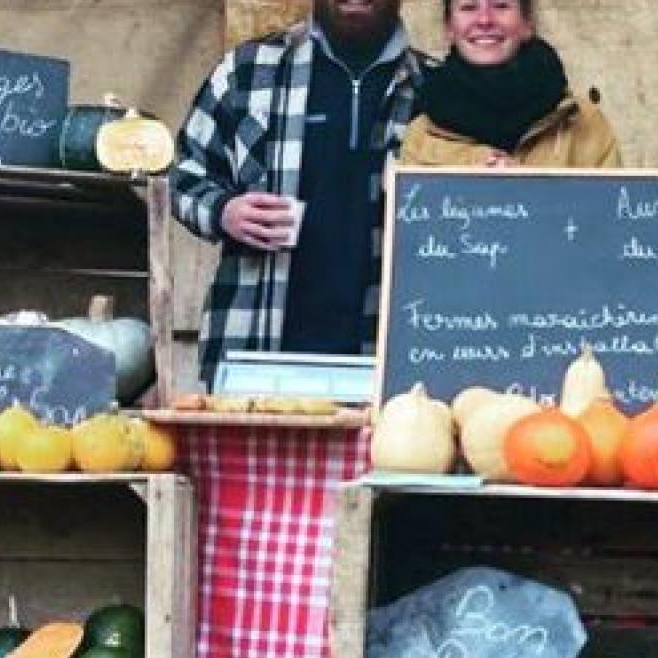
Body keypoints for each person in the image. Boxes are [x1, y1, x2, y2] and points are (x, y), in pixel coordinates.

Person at [171, 0, 428, 386]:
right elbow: (182, 175)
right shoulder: (248, 70)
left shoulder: (434, 87)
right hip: (255, 346)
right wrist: (224, 211)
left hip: (391, 358)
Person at [401, 0, 621, 168]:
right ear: (449, 28)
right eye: (469, 7)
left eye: (501, 5)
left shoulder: (585, 124)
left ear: (527, 24)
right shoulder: (421, 138)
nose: (485, 20)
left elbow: (608, 220)